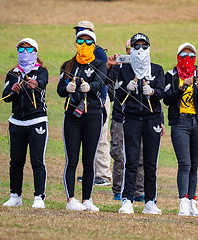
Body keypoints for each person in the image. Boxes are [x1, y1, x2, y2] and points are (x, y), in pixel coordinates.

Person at [115, 33, 165, 214]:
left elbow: (162, 93)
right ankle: (127, 199)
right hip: (132, 118)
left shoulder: (157, 69)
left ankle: (150, 200)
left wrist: (152, 91)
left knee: (151, 162)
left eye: (144, 46)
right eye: (137, 46)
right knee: (131, 160)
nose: (140, 50)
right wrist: (125, 88)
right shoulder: (124, 70)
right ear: (131, 49)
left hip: (152, 118)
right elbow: (118, 96)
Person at [57, 30, 107, 211]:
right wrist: (67, 88)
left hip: (93, 115)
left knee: (89, 159)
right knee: (72, 159)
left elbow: (100, 82)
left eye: (88, 42)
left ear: (93, 44)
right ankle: (71, 199)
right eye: (80, 41)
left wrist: (90, 87)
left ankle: (87, 199)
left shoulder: (100, 64)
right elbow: (59, 89)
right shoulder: (68, 65)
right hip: (72, 116)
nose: (84, 45)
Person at [163, 43, 198, 217]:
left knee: (194, 166)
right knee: (184, 164)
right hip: (180, 122)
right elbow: (167, 99)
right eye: (184, 55)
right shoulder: (171, 76)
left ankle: (192, 203)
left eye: (191, 55)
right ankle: (182, 201)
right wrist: (182, 87)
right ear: (178, 57)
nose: (187, 59)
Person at [1, 38, 48, 209]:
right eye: (21, 50)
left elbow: (42, 84)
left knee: (37, 160)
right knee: (16, 160)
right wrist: (12, 91)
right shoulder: (12, 73)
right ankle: (15, 195)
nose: (25, 53)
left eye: (29, 50)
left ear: (35, 52)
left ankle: (39, 197)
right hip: (17, 122)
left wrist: (34, 85)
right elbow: (5, 96)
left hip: (37, 120)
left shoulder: (41, 71)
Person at [74, 20, 112, 186]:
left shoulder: (99, 53)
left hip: (99, 99)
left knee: (101, 136)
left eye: (82, 30)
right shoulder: (78, 53)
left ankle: (103, 174)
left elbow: (103, 80)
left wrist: (102, 100)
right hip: (84, 99)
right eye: (78, 31)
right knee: (88, 137)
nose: (79, 33)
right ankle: (91, 173)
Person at [107, 39, 145, 202]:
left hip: (139, 118)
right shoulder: (118, 67)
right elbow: (107, 88)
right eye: (132, 47)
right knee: (119, 153)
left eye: (141, 47)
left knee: (141, 155)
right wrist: (110, 66)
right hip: (120, 117)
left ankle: (139, 190)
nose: (136, 50)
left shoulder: (147, 67)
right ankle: (118, 189)